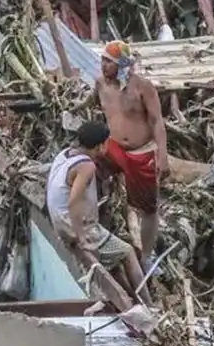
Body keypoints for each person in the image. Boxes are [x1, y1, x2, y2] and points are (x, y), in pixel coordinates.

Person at [46, 120, 151, 305]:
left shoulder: (65, 155)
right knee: (128, 252)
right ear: (100, 146)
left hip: (59, 220)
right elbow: (73, 201)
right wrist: (80, 237)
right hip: (73, 224)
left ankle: (134, 299)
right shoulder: (87, 166)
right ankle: (149, 306)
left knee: (114, 260)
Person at [95, 40, 168, 268]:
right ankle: (97, 231)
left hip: (140, 152)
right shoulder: (100, 84)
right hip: (112, 146)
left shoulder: (142, 87)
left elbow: (157, 121)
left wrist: (163, 155)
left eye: (109, 61)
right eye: (103, 59)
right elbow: (93, 102)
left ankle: (146, 256)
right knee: (91, 174)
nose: (103, 65)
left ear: (122, 65)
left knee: (147, 207)